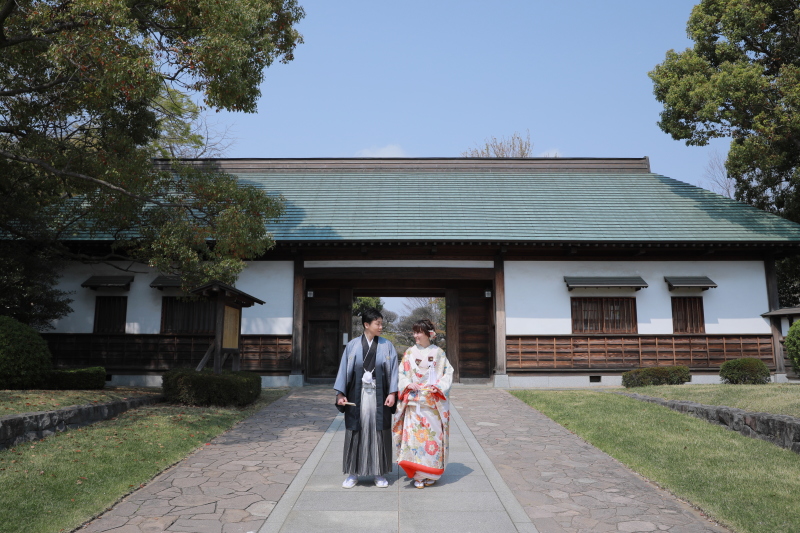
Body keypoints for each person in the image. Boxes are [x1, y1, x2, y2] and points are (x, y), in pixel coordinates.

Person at [334, 307, 399, 488]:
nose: (381, 327)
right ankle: (353, 473)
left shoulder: (387, 345)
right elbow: (343, 370)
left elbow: (394, 371)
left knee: (379, 431)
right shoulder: (353, 345)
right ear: (366, 324)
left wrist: (392, 393)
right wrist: (340, 393)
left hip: (380, 395)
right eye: (378, 324)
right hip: (357, 394)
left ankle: (379, 473)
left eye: (381, 323)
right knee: (356, 430)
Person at [392, 318, 454, 489]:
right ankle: (418, 475)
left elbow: (448, 373)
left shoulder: (439, 353)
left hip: (432, 404)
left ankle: (431, 473)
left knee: (433, 439)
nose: (415, 335)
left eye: (419, 332)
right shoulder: (409, 353)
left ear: (428, 334)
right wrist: (407, 384)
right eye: (414, 332)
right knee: (414, 441)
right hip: (414, 403)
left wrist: (439, 387)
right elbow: (401, 373)